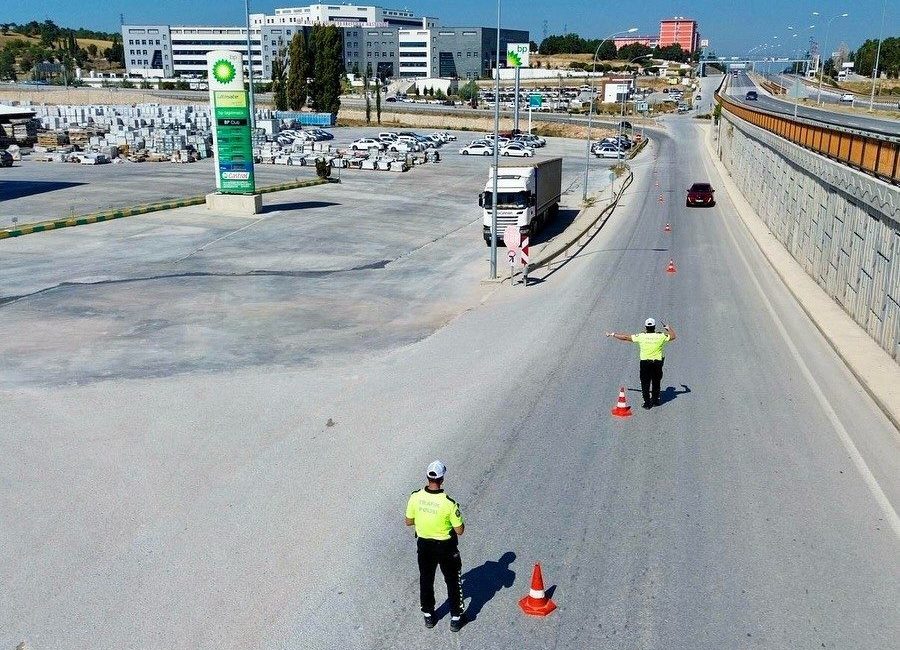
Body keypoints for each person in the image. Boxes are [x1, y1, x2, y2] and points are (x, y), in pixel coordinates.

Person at [405, 460, 466, 631]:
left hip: (424, 546)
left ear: (427, 477)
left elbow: (408, 521)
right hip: (446, 547)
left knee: (426, 579)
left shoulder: (415, 497)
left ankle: (429, 615)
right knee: (453, 581)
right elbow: (460, 530)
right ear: (442, 479)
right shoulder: (449, 503)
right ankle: (455, 617)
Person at [605, 318, 676, 409]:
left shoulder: (641, 336)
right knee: (656, 382)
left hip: (645, 363)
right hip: (657, 363)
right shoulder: (661, 336)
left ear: (646, 327)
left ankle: (647, 403)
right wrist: (668, 328)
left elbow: (626, 338)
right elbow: (673, 336)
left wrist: (613, 334)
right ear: (654, 327)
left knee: (645, 383)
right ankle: (655, 401)